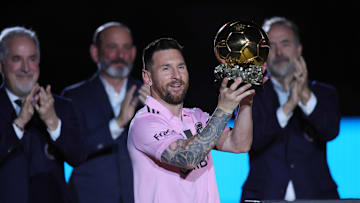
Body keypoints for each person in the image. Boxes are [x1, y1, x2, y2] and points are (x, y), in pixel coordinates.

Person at [127, 37, 259, 203]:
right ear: (147, 77)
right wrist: (224, 109)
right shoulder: (144, 122)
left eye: (181, 67)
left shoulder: (197, 116)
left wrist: (245, 102)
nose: (176, 76)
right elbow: (188, 158)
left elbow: (239, 144)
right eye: (166, 69)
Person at [239, 16, 340, 202]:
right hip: (263, 196)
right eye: (271, 46)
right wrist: (288, 106)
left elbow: (330, 130)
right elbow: (251, 140)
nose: (278, 52)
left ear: (298, 49)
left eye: (285, 43)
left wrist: (304, 96)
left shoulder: (323, 93)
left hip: (317, 196)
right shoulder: (249, 94)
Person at [61, 22, 149, 203]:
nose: (120, 55)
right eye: (112, 47)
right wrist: (117, 123)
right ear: (95, 53)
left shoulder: (151, 96)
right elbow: (73, 151)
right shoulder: (73, 97)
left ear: (133, 53)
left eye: (126, 48)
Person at [0, 26, 84, 203]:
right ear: (1, 66)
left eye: (32, 59)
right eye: (17, 59)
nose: (26, 68)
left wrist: (53, 123)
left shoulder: (61, 106)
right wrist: (19, 123)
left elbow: (78, 156)